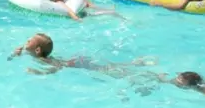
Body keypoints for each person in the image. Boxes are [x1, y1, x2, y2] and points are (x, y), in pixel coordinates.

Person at [10, 33, 154, 77]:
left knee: (108, 71)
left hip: (77, 63)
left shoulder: (42, 60)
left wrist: (39, 72)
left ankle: (142, 71)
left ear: (37, 50)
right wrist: (15, 55)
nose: (26, 41)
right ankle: (135, 63)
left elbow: (57, 68)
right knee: (108, 67)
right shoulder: (38, 55)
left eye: (29, 41)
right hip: (77, 61)